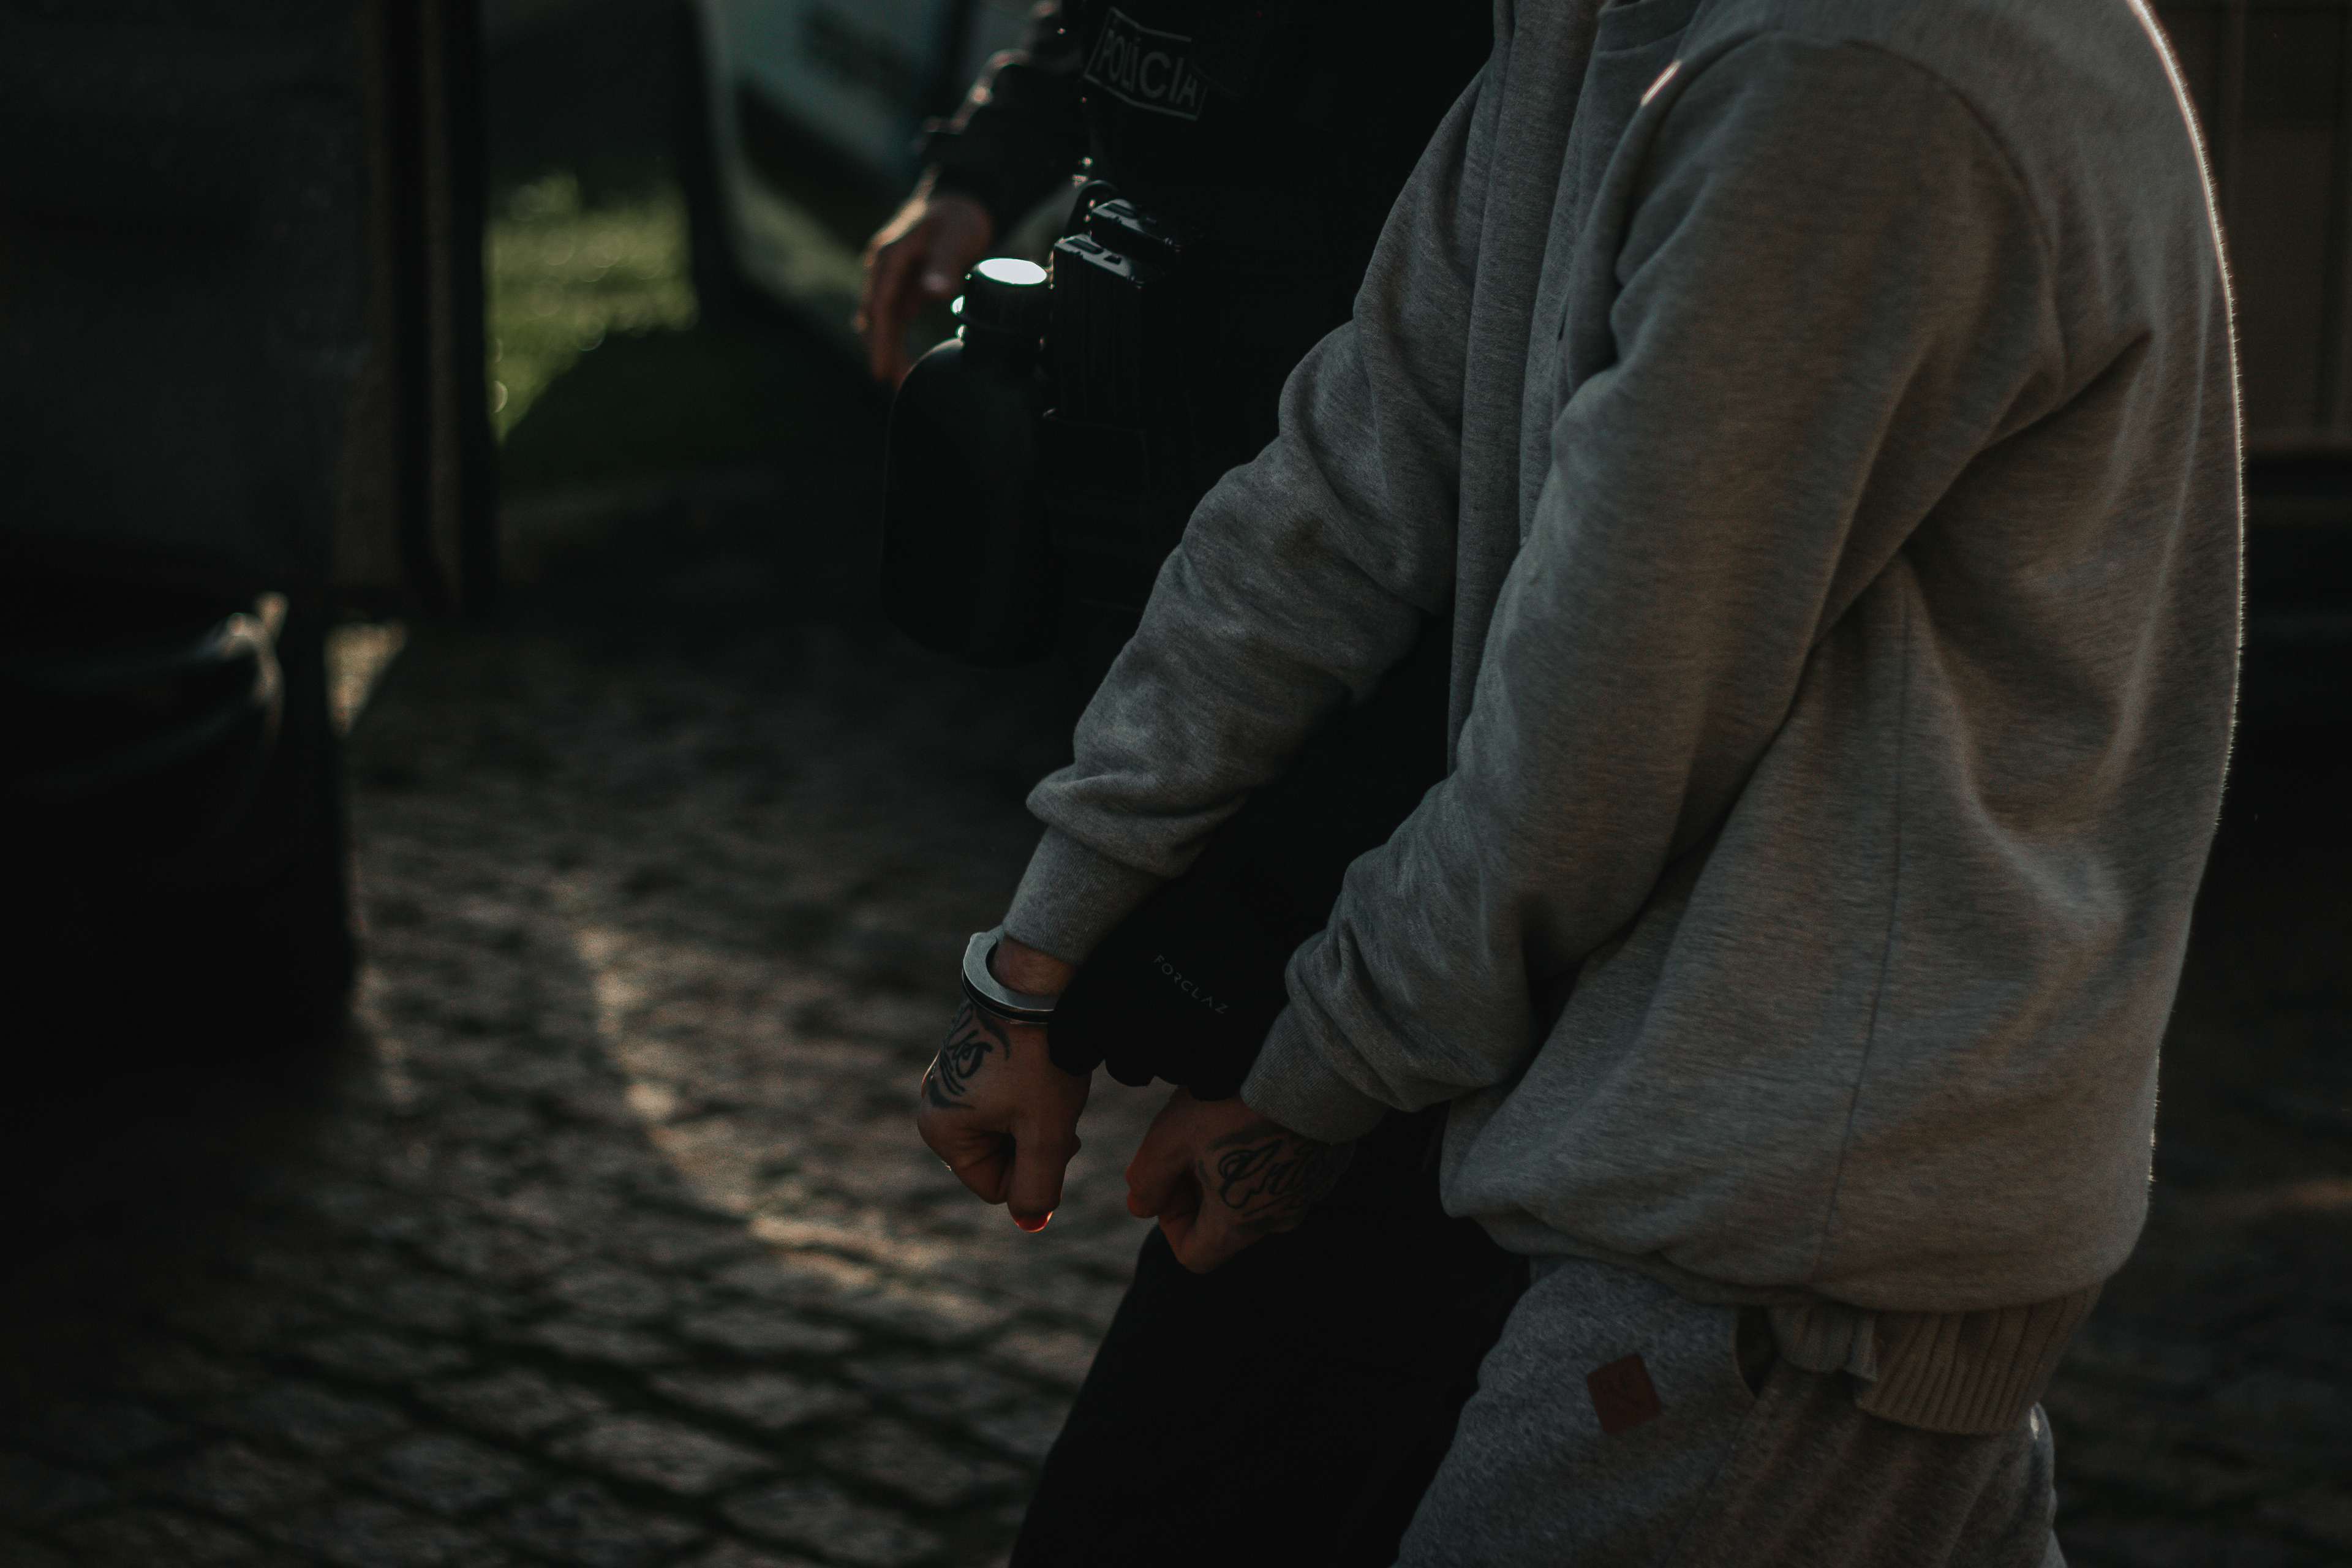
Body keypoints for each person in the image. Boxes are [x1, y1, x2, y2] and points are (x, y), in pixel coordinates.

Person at [918, 0, 2242, 1559]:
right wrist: (1040, 948)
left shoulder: (1853, 74)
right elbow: (1345, 482)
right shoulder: (1589, 22)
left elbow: (1590, 750)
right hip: (1683, 1170)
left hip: (1778, 1230)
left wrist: (1311, 1075)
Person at [864, 5, 1526, 1567]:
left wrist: (1287, 1053)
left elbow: (1513, 628)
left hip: (1412, 900)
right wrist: (986, 164)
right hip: (1229, 698)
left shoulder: (1545, 62)